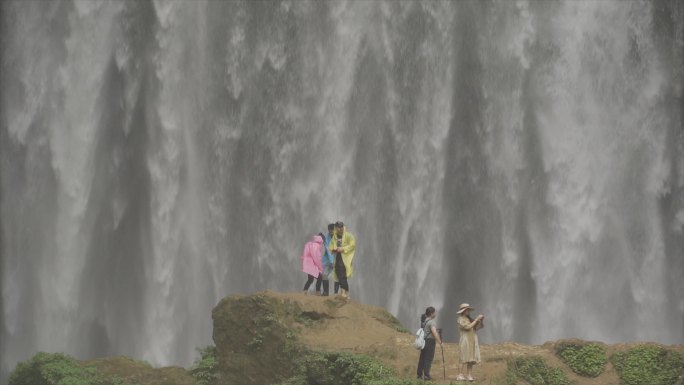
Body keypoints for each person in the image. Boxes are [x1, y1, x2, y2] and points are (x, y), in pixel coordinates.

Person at [456, 303, 484, 382]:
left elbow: (477, 327)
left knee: (471, 358)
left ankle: (469, 375)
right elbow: (467, 327)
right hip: (465, 340)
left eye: (468, 310)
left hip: (472, 339)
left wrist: (480, 321)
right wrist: (476, 319)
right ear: (463, 311)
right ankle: (460, 374)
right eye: (467, 310)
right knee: (463, 357)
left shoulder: (470, 319)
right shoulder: (460, 319)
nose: (468, 311)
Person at [329, 221, 355, 299]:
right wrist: (333, 249)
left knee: (342, 273)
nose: (339, 229)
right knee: (338, 272)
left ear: (343, 226)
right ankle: (346, 292)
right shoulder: (335, 236)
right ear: (336, 228)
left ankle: (343, 292)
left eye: (341, 227)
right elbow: (331, 246)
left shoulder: (348, 235)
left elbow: (353, 245)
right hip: (338, 257)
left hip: (346, 258)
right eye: (338, 227)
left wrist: (343, 249)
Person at [416, 306, 443, 381]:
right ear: (431, 313)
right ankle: (427, 376)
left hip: (424, 341)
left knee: (422, 358)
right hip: (430, 342)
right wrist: (440, 342)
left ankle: (419, 375)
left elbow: (428, 330)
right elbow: (434, 333)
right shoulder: (432, 322)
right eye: (434, 312)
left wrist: (436, 330)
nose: (435, 314)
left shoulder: (424, 321)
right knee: (428, 359)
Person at [320, 224, 336, 296]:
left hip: (336, 260)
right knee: (324, 275)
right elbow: (328, 251)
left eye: (332, 230)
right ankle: (326, 292)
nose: (331, 232)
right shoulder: (326, 239)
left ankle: (340, 293)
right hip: (328, 261)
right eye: (330, 230)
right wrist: (331, 262)